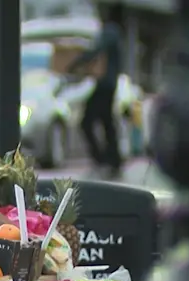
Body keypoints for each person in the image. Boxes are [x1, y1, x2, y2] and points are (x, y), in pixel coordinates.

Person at [68, 4, 124, 179]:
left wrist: (77, 62)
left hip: (105, 84)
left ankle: (103, 158)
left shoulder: (110, 31)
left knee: (87, 121)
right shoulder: (115, 31)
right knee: (107, 121)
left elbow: (96, 50)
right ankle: (113, 159)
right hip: (109, 83)